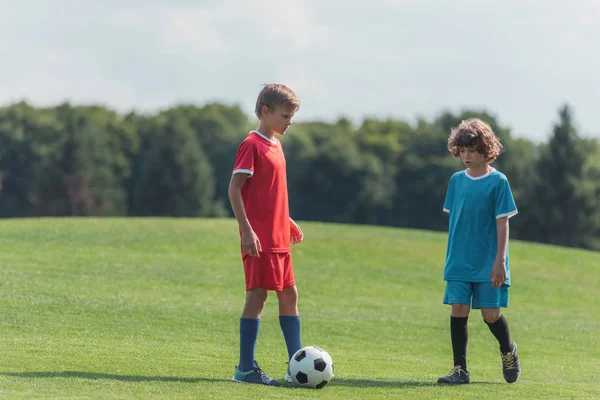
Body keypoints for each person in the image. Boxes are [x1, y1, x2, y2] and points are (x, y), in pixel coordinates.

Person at [228, 84, 304, 386]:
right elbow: (235, 189)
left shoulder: (276, 144)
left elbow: (269, 192)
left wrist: (285, 219)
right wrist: (247, 231)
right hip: (259, 239)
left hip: (278, 238)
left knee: (289, 294)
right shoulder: (252, 144)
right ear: (265, 112)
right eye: (285, 116)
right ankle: (245, 369)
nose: (289, 122)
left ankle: (297, 365)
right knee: (257, 297)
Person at [437, 118, 521, 385]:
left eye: (471, 150)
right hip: (459, 261)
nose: (465, 156)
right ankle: (459, 370)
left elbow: (502, 222)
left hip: (489, 262)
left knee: (490, 315)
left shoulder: (499, 182)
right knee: (458, 309)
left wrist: (500, 261)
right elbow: (457, 221)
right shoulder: (456, 181)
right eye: (461, 150)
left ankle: (508, 349)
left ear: (486, 149)